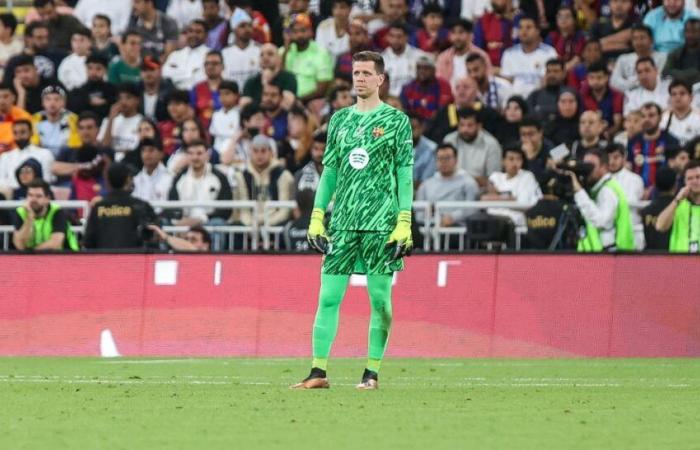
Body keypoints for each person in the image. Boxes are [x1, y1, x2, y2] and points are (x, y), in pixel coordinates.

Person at [291, 51, 413, 390]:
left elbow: (404, 175)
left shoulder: (396, 121)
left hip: (381, 224)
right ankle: (318, 372)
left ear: (380, 79)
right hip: (342, 223)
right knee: (328, 298)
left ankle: (371, 373)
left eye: (365, 73)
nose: (358, 78)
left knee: (380, 302)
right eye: (355, 72)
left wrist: (404, 221)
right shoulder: (340, 121)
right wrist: (317, 216)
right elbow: (330, 172)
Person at [569, 149, 635, 252]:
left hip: (611, 255)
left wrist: (579, 192)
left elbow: (601, 222)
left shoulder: (608, 190)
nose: (587, 170)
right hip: (600, 254)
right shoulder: (597, 189)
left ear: (603, 167)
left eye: (591, 166)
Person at [83, 162, 157, 249]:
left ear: (107, 181)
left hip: (103, 259)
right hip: (134, 260)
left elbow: (88, 241)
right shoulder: (140, 206)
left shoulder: (98, 207)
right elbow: (153, 236)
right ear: (128, 179)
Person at [232, 134, 295, 227]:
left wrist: (267, 226)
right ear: (250, 153)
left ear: (271, 152)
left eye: (263, 151)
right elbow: (243, 210)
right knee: (236, 227)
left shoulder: (283, 175)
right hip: (250, 223)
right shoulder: (242, 176)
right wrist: (251, 226)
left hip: (275, 223)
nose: (259, 155)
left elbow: (284, 211)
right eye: (255, 151)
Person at [168, 139, 233, 228]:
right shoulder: (179, 178)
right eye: (191, 153)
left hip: (209, 223)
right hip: (184, 224)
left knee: (217, 223)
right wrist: (182, 221)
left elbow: (225, 210)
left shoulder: (220, 177)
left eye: (199, 153)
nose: (195, 157)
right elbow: (172, 206)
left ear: (207, 155)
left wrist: (202, 219)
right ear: (187, 156)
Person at [415, 142, 480, 226]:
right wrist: (434, 220)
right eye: (440, 158)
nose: (444, 162)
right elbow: (419, 214)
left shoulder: (468, 183)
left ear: (456, 160)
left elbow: (472, 208)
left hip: (458, 227)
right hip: (430, 228)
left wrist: (453, 217)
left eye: (448, 158)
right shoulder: (425, 185)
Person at [482, 145, 543, 228]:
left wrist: (498, 198)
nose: (515, 163)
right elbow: (484, 199)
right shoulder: (495, 177)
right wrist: (509, 199)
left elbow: (523, 205)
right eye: (511, 159)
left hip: (515, 224)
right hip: (492, 221)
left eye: (519, 159)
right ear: (503, 161)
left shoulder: (527, 176)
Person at [499, 15, 558, 98]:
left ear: (538, 31)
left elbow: (551, 79)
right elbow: (506, 81)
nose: (524, 31)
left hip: (540, 98)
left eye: (528, 27)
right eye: (521, 28)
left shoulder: (549, 52)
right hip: (515, 100)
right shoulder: (509, 53)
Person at [12, 178, 79, 251]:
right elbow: (19, 245)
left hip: (67, 256)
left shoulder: (57, 211)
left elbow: (55, 243)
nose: (33, 199)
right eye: (30, 195)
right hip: (34, 258)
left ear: (47, 199)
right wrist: (29, 219)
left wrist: (32, 254)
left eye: (38, 196)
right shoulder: (21, 212)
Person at [442, 106, 501, 188]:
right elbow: (442, 172)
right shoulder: (449, 140)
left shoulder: (491, 144)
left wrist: (466, 181)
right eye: (461, 125)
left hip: (480, 193)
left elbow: (494, 180)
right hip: (451, 189)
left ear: (479, 126)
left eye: (470, 125)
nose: (465, 129)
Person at [627, 102, 681, 190]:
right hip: (636, 190)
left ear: (660, 118)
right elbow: (629, 165)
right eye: (643, 116)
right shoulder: (633, 141)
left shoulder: (671, 141)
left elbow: (676, 171)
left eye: (651, 115)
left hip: (663, 191)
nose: (647, 119)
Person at [283, 13, 333, 103]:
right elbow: (278, 78)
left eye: (303, 30)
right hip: (285, 101)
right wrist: (286, 50)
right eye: (295, 31)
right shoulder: (284, 51)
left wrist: (298, 101)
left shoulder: (321, 53)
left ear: (311, 31)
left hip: (310, 102)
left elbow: (322, 88)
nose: (299, 35)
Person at [655, 159, 700, 252]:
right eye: (690, 178)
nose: (694, 181)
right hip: (680, 262)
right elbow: (660, 226)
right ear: (684, 181)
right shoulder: (678, 204)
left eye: (698, 177)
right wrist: (677, 200)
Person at [607, 143, 646, 250]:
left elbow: (635, 204)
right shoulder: (600, 180)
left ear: (624, 158)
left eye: (615, 157)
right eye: (608, 158)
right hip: (609, 232)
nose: (611, 162)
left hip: (632, 231)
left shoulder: (635, 180)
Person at [436, 18, 491, 89]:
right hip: (449, 98)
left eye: (461, 32)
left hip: (475, 97)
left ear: (470, 35)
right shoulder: (443, 57)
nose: (457, 37)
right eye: (453, 33)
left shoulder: (481, 56)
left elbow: (488, 81)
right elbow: (439, 83)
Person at [611, 25, 668, 93]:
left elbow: (658, 80)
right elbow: (614, 82)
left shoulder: (663, 57)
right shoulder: (623, 59)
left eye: (642, 38)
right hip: (629, 96)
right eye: (635, 39)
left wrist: (630, 81)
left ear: (652, 40)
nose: (639, 42)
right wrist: (635, 84)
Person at [0, 119, 54, 190]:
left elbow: (46, 179)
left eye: (23, 132)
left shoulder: (44, 153)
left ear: (31, 133)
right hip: (11, 196)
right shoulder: (6, 156)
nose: (19, 136)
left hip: (36, 193)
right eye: (15, 133)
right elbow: (1, 180)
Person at [30, 85, 81, 157]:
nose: (52, 103)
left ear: (63, 102)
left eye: (57, 99)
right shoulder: (35, 119)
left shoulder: (73, 119)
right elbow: (33, 145)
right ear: (42, 102)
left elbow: (75, 145)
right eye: (48, 99)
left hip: (66, 157)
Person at [381, 21, 429, 97]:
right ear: (388, 37)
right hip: (388, 102)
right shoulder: (381, 59)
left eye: (399, 37)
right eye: (392, 36)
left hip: (413, 100)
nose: (395, 40)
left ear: (406, 37)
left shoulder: (420, 57)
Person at [98, 83, 144, 161]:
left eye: (128, 98)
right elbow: (104, 147)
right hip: (109, 163)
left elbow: (136, 151)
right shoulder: (108, 120)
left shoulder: (143, 122)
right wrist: (111, 119)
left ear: (137, 100)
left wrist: (114, 150)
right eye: (120, 98)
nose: (123, 102)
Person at [399, 54, 452, 120]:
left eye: (426, 68)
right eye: (419, 68)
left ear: (434, 70)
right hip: (412, 124)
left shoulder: (443, 85)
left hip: (437, 125)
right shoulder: (407, 88)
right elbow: (403, 110)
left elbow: (445, 110)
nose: (421, 71)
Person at [162, 20, 210, 91]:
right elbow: (164, 74)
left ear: (206, 36)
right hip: (174, 93)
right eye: (190, 31)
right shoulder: (175, 55)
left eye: (198, 32)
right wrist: (190, 73)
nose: (193, 35)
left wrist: (177, 74)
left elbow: (202, 79)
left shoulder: (210, 55)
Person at [580, 61, 624, 139]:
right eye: (591, 77)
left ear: (606, 77)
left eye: (599, 77)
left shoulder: (616, 95)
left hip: (610, 136)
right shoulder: (583, 95)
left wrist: (607, 133)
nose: (595, 81)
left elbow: (617, 124)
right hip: (588, 135)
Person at [67, 53, 116, 122]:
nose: (93, 72)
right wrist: (88, 101)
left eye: (98, 69)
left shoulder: (112, 91)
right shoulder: (78, 92)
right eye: (90, 68)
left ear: (105, 70)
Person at [640, 167, 677, 250]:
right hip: (673, 258)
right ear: (675, 185)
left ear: (655, 185)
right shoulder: (679, 209)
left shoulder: (646, 211)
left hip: (651, 258)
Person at [190, 50, 224, 129]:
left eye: (214, 63)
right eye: (207, 64)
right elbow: (191, 114)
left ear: (222, 66)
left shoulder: (229, 87)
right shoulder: (197, 88)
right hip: (203, 132)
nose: (210, 67)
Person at [132, 138, 172, 204]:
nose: (146, 154)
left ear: (161, 154)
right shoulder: (136, 179)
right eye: (143, 150)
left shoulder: (170, 177)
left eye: (151, 150)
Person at [660, 79, 700, 146]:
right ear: (670, 98)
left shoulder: (698, 117)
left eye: (682, 93)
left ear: (691, 97)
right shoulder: (663, 118)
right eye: (674, 94)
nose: (678, 97)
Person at [662, 18, 700, 85]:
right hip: (679, 90)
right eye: (687, 31)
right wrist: (693, 73)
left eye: (694, 31)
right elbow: (665, 72)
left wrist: (677, 74)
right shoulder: (675, 53)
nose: (690, 35)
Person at [0, 82, 31, 152]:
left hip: (17, 155)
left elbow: (31, 140)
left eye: (5, 96)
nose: (1, 101)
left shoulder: (23, 116)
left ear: (13, 97)